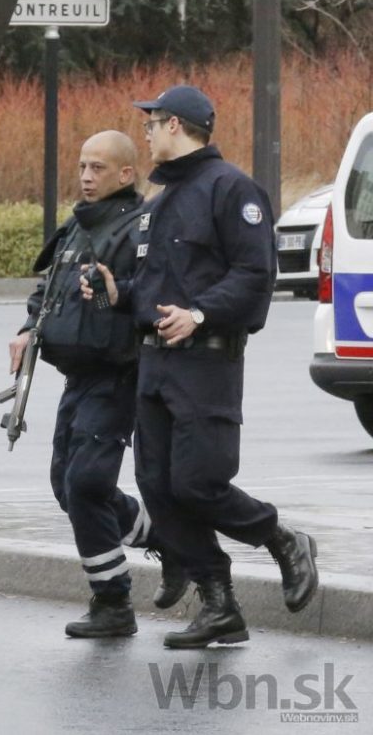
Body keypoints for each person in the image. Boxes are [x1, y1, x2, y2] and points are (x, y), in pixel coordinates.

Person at [85, 85, 319, 649]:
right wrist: (119, 293)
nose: (145, 134)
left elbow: (255, 276)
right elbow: (156, 286)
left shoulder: (231, 189)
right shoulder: (159, 201)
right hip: (155, 364)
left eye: (151, 124)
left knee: (198, 483)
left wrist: (199, 314)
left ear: (176, 125)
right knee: (158, 489)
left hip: (206, 364)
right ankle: (219, 605)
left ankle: (282, 537)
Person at [9, 130, 188, 639]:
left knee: (86, 483)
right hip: (78, 375)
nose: (86, 177)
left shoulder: (141, 228)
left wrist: (117, 296)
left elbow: (152, 295)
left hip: (119, 374)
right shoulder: (78, 225)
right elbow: (48, 288)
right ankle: (169, 541)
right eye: (83, 167)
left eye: (98, 168)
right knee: (68, 486)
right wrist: (28, 328)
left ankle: (112, 603)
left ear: (126, 174)